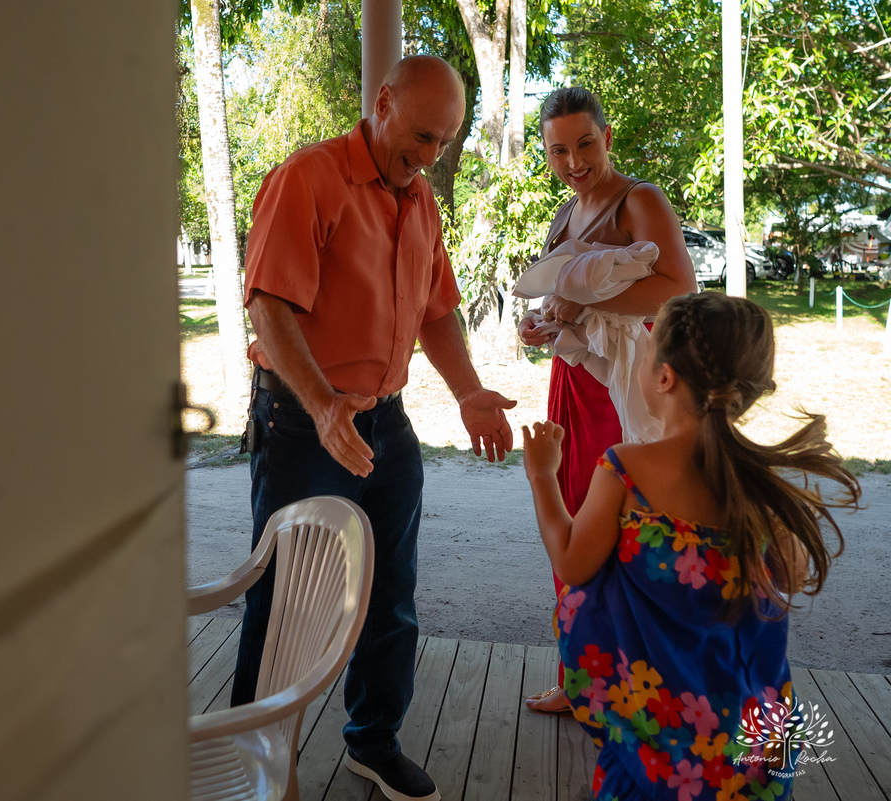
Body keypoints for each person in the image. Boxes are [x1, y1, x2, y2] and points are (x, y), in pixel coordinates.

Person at [232, 55, 517, 801]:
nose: (428, 157)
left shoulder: (421, 202)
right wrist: (323, 404)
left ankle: (372, 740)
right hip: (301, 422)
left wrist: (468, 392)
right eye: (421, 135)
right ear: (383, 102)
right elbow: (269, 304)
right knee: (286, 595)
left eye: (443, 143)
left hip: (385, 425)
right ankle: (251, 753)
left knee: (392, 593)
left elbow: (436, 312)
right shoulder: (310, 177)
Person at [520, 292, 860, 800]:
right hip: (753, 751)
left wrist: (543, 474)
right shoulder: (768, 489)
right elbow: (783, 584)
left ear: (664, 377)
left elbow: (572, 563)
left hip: (659, 747)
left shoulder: (626, 468)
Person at [518, 87, 698, 712]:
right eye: (558, 150)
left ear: (608, 136)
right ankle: (582, 679)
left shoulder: (638, 199)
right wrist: (541, 324)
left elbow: (677, 289)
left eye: (585, 144)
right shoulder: (562, 217)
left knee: (623, 531)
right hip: (573, 382)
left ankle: (633, 684)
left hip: (626, 391)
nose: (573, 161)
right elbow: (565, 305)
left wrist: (583, 302)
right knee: (570, 514)